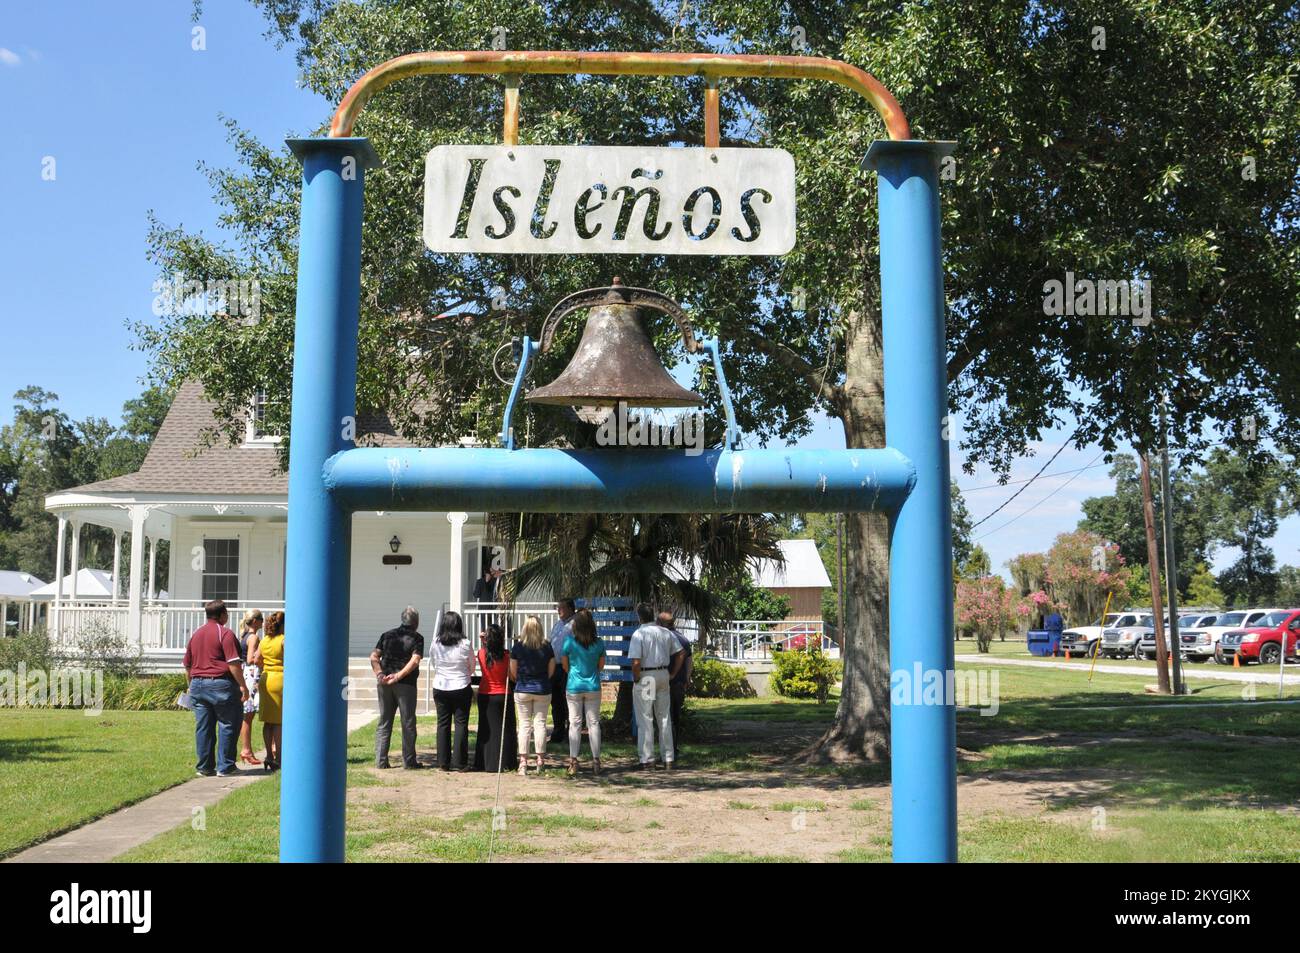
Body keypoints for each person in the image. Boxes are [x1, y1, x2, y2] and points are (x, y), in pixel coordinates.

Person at [183, 599, 248, 778]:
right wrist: (243, 686)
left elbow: (187, 665)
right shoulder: (225, 633)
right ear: (221, 615)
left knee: (204, 726)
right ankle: (225, 766)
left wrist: (191, 685)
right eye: (226, 613)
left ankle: (205, 767)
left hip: (197, 684)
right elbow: (233, 663)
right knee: (228, 724)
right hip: (220, 684)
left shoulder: (196, 634)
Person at [628, 602, 684, 770]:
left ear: (639, 617)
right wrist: (672, 673)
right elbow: (681, 652)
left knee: (645, 719)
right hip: (662, 675)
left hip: (646, 676)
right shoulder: (665, 632)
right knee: (664, 717)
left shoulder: (639, 634)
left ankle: (647, 759)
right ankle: (668, 758)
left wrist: (636, 677)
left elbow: (636, 661)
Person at [371, 606, 425, 769]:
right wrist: (399, 676)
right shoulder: (417, 638)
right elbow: (415, 660)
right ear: (416, 622)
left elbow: (374, 656)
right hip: (405, 685)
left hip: (384, 683)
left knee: (384, 721)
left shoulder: (387, 635)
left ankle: (381, 760)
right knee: (407, 722)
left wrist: (380, 674)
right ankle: (409, 761)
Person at [560, 608, 606, 777]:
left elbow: (565, 665)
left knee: (575, 724)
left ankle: (573, 761)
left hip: (574, 686)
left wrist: (573, 672)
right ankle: (596, 761)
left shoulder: (569, 642)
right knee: (594, 724)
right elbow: (600, 666)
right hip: (593, 686)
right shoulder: (599, 643)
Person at [510, 615, 555, 776]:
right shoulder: (547, 647)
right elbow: (551, 671)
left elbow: (513, 672)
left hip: (523, 688)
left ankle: (523, 762)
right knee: (540, 724)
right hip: (542, 688)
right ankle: (540, 760)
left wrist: (521, 679)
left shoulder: (518, 647)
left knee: (524, 725)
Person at [431, 610, 475, 771]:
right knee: (461, 724)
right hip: (461, 686)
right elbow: (472, 666)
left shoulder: (436, 643)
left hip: (441, 686)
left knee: (442, 724)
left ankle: (443, 761)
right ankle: (459, 762)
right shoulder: (466, 644)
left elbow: (434, 662)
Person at [473, 622, 517, 772]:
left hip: (486, 694)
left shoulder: (481, 653)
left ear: (487, 639)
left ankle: (485, 762)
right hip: (503, 694)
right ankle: (506, 762)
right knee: (506, 730)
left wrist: (483, 640)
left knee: (486, 729)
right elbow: (512, 676)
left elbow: (486, 649)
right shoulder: (507, 655)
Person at [658, 610, 693, 763]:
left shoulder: (660, 639)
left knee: (663, 716)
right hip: (678, 682)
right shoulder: (683, 640)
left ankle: (666, 749)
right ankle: (674, 747)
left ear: (660, 624)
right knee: (675, 716)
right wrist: (687, 678)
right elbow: (689, 662)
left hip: (662, 681)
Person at [252, 611, 285, 772]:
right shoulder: (284, 640)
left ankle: (268, 756)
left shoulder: (264, 641)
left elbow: (256, 659)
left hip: (266, 678)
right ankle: (278, 757)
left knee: (268, 721)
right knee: (278, 721)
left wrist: (267, 666)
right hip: (280, 679)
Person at [236, 609, 263, 766]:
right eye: (260, 618)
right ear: (254, 621)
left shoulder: (244, 635)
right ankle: (246, 750)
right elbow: (250, 658)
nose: (263, 621)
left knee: (248, 714)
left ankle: (247, 750)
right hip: (251, 675)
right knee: (249, 714)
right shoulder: (253, 637)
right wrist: (262, 654)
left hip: (246, 674)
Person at [547, 598, 575, 744]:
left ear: (570, 608)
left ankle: (571, 733)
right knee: (556, 700)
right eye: (558, 608)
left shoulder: (575, 624)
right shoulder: (558, 624)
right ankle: (558, 732)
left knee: (568, 701)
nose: (559, 610)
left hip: (568, 667)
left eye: (561, 607)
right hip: (555, 666)